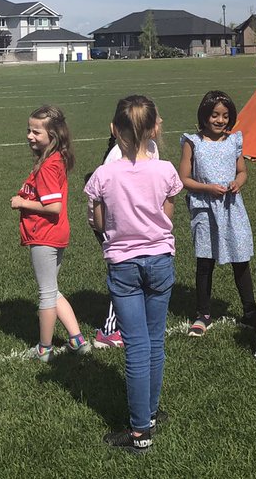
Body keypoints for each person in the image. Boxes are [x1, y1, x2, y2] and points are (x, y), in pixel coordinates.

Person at [85, 95, 183, 453]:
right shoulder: (167, 170)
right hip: (160, 260)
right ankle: (151, 414)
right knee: (155, 341)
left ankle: (141, 431)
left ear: (114, 130)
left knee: (138, 347)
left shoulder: (103, 174)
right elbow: (167, 215)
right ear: (155, 128)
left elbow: (98, 221)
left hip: (124, 264)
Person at [11, 104, 90, 361]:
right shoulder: (54, 160)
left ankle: (44, 348)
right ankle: (77, 339)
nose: (30, 136)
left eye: (36, 132)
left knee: (45, 293)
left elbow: (53, 207)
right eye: (28, 130)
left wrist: (22, 202)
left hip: (45, 234)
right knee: (52, 289)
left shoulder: (48, 166)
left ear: (53, 136)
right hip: (56, 234)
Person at [179, 90, 256, 335]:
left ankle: (250, 310)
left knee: (240, 259)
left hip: (232, 208)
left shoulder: (234, 141)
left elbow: (242, 171)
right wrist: (207, 188)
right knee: (205, 261)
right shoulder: (193, 143)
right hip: (205, 210)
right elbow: (183, 179)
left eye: (224, 116)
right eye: (214, 115)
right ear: (205, 115)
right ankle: (203, 313)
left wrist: (238, 183)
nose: (220, 120)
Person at [85, 123, 162, 348]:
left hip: (136, 224)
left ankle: (135, 321)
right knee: (124, 273)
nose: (160, 124)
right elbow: (99, 197)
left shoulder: (151, 146)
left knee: (138, 272)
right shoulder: (118, 154)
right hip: (114, 225)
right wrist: (107, 231)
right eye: (156, 120)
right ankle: (110, 331)